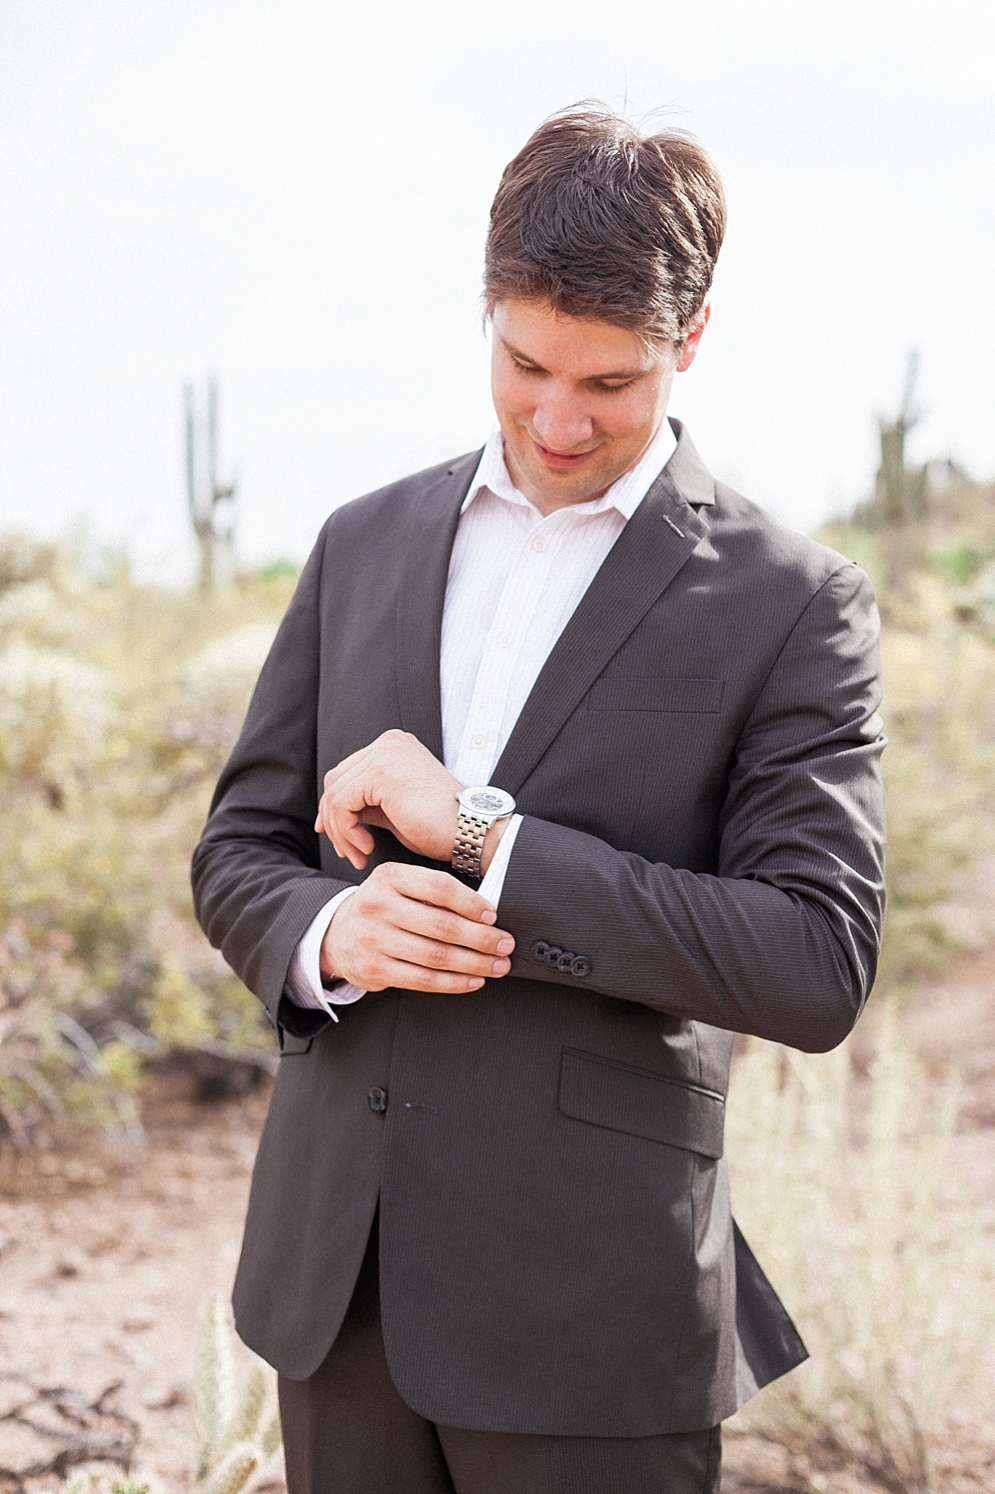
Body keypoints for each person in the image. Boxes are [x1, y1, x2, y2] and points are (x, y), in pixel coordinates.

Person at [192, 105, 886, 1494]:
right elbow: (238, 851)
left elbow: (815, 962)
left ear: (690, 343)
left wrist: (490, 839)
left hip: (597, 1311)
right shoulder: (361, 542)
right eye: (524, 364)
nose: (559, 421)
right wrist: (329, 940)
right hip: (341, 1285)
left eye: (612, 383)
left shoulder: (793, 604)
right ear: (487, 312)